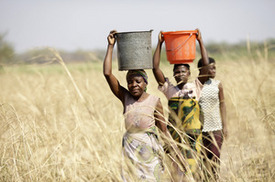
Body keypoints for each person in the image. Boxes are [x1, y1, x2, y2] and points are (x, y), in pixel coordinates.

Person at [103, 30, 184, 181]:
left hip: (149, 152)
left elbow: (164, 131)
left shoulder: (154, 101)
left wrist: (178, 156)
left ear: (145, 83)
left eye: (138, 81)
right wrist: (110, 46)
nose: (133, 85)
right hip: (129, 150)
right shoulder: (125, 97)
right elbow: (107, 74)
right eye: (130, 82)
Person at [152, 29, 209, 179]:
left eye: (183, 71)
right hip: (175, 137)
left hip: (193, 137)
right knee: (175, 171)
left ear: (189, 73)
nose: (180, 74)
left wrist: (200, 41)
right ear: (173, 75)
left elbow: (206, 68)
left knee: (194, 169)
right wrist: (160, 43)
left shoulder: (195, 87)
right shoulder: (170, 90)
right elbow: (155, 68)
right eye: (177, 72)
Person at [198, 57, 227, 180]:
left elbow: (222, 104)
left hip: (216, 128)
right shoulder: (195, 85)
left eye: (215, 67)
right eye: (211, 68)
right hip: (200, 129)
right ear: (202, 69)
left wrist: (225, 126)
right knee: (203, 159)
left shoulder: (217, 84)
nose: (214, 70)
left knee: (215, 158)